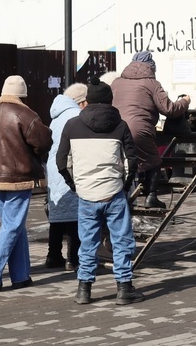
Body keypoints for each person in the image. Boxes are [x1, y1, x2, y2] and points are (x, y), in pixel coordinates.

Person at [56, 79, 143, 305]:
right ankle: (124, 289)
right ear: (109, 101)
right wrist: (124, 186)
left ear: (87, 101)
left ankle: (84, 289)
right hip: (113, 191)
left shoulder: (72, 126)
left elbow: (62, 162)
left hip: (86, 194)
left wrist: (76, 185)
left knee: (88, 242)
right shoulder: (120, 125)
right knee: (122, 240)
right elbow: (131, 161)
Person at [0, 75, 53, 293]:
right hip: (19, 177)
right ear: (23, 94)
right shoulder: (26, 114)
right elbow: (43, 142)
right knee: (12, 226)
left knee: (13, 225)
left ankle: (20, 276)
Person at [112, 52, 190, 209]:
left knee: (120, 163)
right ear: (151, 67)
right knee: (153, 160)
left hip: (115, 130)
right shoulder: (152, 84)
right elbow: (169, 109)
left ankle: (120, 199)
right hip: (138, 130)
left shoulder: (116, 82)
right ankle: (151, 197)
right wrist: (185, 101)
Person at [45, 83, 87, 271]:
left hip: (54, 169)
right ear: (81, 101)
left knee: (57, 216)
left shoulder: (57, 116)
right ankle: (73, 258)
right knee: (74, 216)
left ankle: (53, 255)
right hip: (69, 168)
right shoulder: (76, 116)